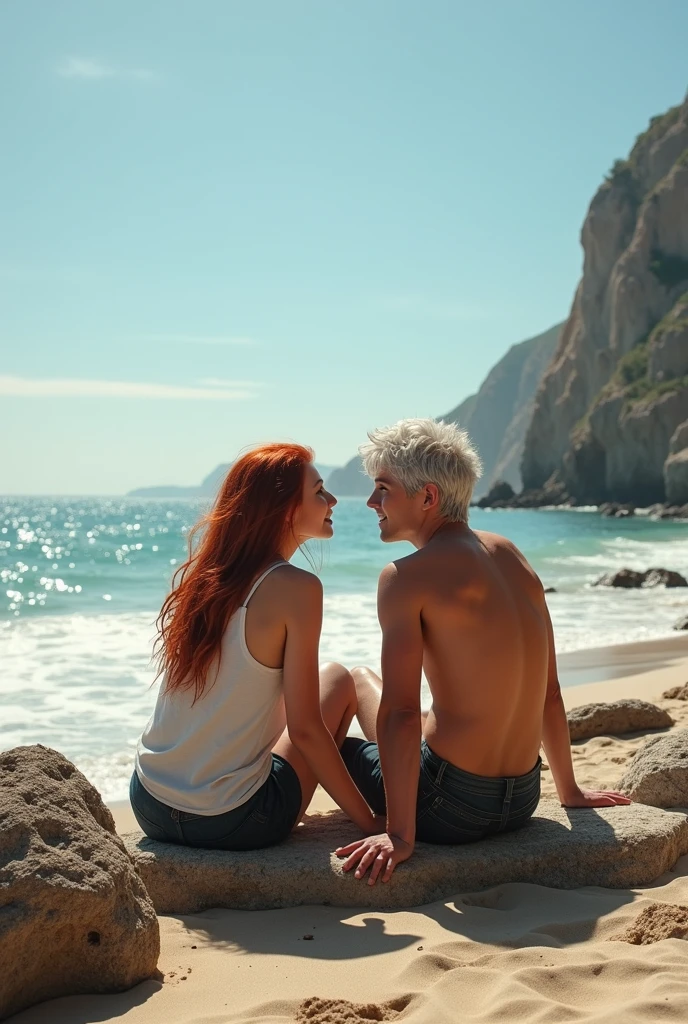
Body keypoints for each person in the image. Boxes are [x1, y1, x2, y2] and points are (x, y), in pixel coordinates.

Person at [335, 418, 630, 885]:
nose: (372, 502)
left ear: (428, 497)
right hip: (524, 799)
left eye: (383, 489)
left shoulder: (405, 577)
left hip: (450, 810)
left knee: (342, 703)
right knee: (368, 682)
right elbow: (548, 690)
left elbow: (402, 714)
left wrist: (400, 835)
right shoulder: (511, 554)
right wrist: (568, 790)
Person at [131, 443, 382, 850]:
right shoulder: (296, 587)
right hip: (232, 821)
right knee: (338, 679)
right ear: (285, 510)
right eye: (319, 491)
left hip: (148, 803)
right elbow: (304, 730)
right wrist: (371, 824)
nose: (332, 499)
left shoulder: (207, 577)